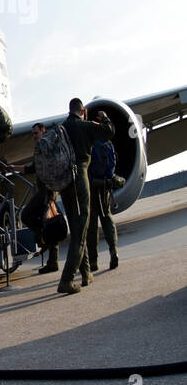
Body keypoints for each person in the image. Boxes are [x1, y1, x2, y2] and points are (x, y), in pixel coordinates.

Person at [56, 100, 115, 295]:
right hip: (80, 177)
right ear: (82, 111)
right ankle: (67, 280)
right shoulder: (84, 125)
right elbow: (109, 132)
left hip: (65, 182)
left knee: (76, 227)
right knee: (82, 230)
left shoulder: (61, 128)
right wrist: (104, 117)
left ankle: (87, 273)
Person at [13, 123, 60, 273]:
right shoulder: (40, 148)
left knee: (27, 216)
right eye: (32, 134)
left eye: (36, 133)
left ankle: (43, 239)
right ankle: (52, 260)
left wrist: (51, 192)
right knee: (50, 224)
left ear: (43, 131)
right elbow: (32, 168)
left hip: (48, 191)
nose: (33, 136)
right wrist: (14, 168)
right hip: (45, 190)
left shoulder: (46, 147)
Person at [86, 112, 119, 272]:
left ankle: (93, 261)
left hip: (91, 187)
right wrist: (105, 117)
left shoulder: (88, 141)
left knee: (91, 225)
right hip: (105, 186)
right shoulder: (106, 142)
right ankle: (113, 250)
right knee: (106, 218)